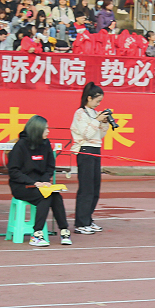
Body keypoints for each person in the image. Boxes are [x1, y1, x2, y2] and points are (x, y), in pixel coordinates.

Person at [8, 115, 72, 247]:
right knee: (45, 196)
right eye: (45, 128)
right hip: (22, 186)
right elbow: (13, 171)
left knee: (56, 195)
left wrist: (44, 181)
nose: (48, 131)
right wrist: (34, 183)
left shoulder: (46, 143)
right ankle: (36, 234)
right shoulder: (20, 146)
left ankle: (64, 231)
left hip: (41, 184)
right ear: (37, 130)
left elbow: (50, 167)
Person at [70, 82, 110, 234]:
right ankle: (81, 224)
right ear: (89, 98)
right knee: (86, 189)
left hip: (95, 150)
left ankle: (88, 219)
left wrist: (104, 124)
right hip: (85, 150)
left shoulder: (94, 113)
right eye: (97, 100)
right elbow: (86, 134)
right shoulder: (80, 113)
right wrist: (97, 120)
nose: (98, 104)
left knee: (94, 188)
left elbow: (99, 135)